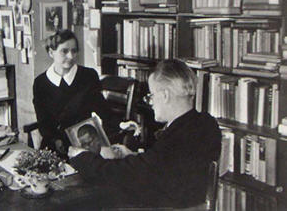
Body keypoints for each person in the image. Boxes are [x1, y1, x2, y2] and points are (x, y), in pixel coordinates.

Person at [68, 59, 222, 209]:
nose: (151, 102)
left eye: (152, 96)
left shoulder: (173, 139)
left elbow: (122, 175)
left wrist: (82, 156)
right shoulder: (206, 124)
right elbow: (165, 168)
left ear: (165, 95)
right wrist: (132, 157)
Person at [33, 29, 106, 157]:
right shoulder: (40, 83)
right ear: (51, 52)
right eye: (64, 51)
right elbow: (43, 121)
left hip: (83, 144)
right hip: (54, 144)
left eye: (74, 51)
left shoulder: (88, 76)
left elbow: (103, 110)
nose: (71, 56)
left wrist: (122, 124)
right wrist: (55, 140)